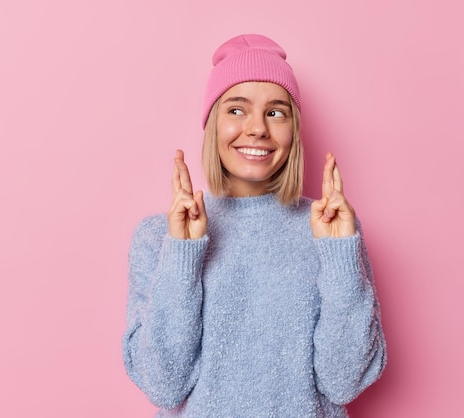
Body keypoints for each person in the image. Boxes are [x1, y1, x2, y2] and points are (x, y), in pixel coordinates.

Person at [123, 34, 386, 418]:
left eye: (276, 112)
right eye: (236, 110)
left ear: (293, 129)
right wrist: (182, 255)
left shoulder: (332, 230)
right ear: (212, 123)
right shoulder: (158, 238)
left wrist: (339, 255)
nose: (258, 128)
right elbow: (164, 385)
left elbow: (344, 380)